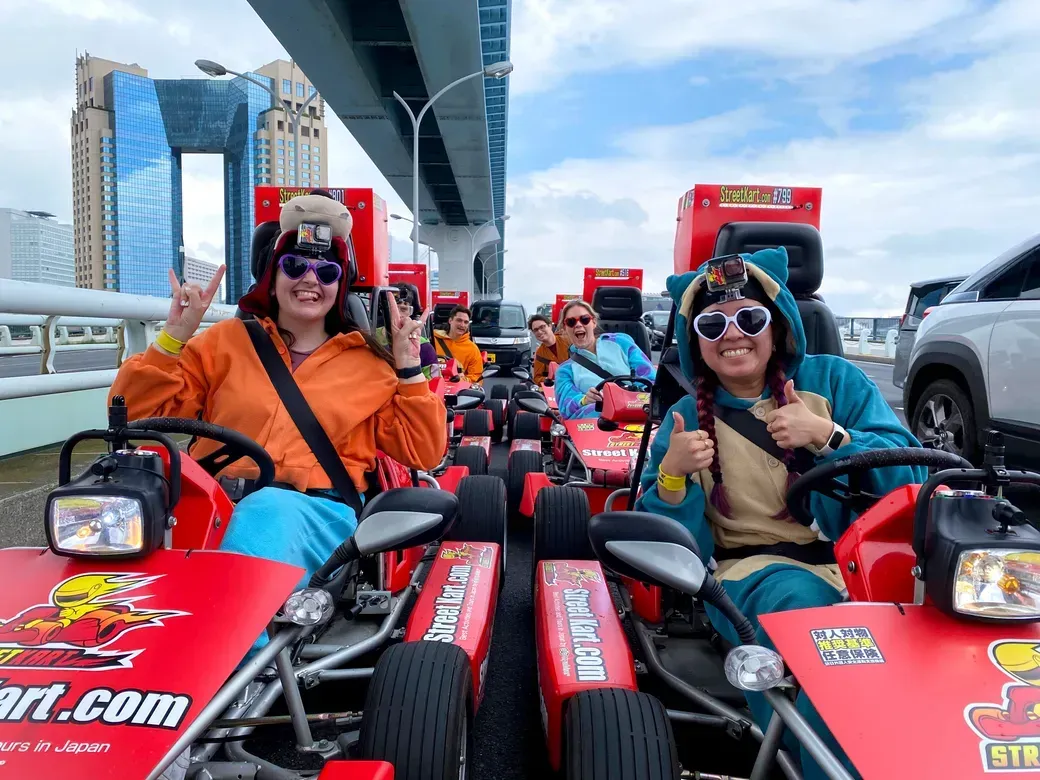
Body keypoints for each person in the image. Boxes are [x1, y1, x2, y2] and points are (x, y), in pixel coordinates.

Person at [108, 193, 447, 657]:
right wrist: (173, 340)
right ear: (274, 274)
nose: (310, 280)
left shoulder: (371, 364)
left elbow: (424, 452)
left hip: (313, 509)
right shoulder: (224, 342)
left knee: (265, 513)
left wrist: (409, 370)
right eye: (295, 266)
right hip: (205, 503)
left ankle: (222, 669)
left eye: (327, 272)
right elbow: (135, 415)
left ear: (340, 285)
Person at [636, 246, 925, 779]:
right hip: (757, 571)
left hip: (873, 561)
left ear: (778, 327)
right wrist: (673, 476)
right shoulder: (684, 418)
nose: (733, 335)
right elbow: (671, 547)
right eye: (712, 324)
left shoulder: (835, 382)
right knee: (819, 628)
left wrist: (831, 438)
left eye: (749, 318)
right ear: (696, 342)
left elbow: (911, 480)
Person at [554, 299, 656, 419]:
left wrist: (636, 397)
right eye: (571, 322)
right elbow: (566, 408)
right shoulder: (564, 371)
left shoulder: (621, 342)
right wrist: (585, 400)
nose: (578, 325)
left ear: (594, 322)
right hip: (599, 422)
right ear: (565, 328)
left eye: (584, 319)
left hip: (640, 414)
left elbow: (651, 380)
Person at [376, 284, 440, 379]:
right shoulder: (370, 339)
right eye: (394, 308)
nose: (399, 314)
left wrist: (412, 369)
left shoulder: (424, 347)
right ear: (383, 310)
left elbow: (435, 384)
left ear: (411, 312)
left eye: (404, 309)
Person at [432, 305, 483, 382]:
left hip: (459, 388)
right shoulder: (432, 341)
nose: (462, 325)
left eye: (466, 322)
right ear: (450, 320)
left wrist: (461, 379)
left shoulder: (473, 349)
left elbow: (476, 378)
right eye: (459, 320)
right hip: (433, 386)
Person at [529, 313, 570, 386]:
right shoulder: (540, 353)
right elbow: (537, 378)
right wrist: (547, 379)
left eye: (542, 327)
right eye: (536, 330)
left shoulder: (567, 340)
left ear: (550, 326)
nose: (539, 331)